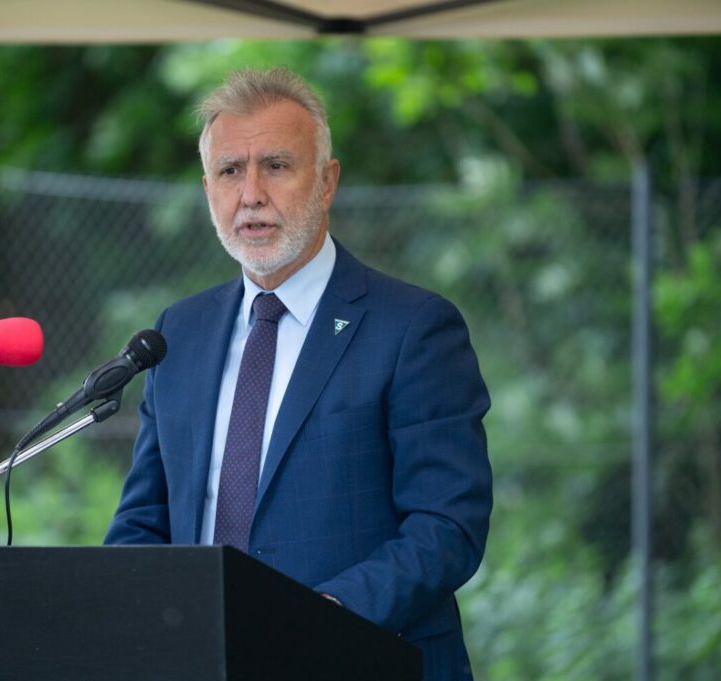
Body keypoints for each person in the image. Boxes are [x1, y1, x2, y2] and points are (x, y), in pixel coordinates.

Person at [104, 67, 492, 681]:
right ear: (207, 188)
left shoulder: (414, 328)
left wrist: (321, 620)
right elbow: (143, 522)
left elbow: (447, 526)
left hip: (358, 660)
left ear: (327, 181)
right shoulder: (179, 332)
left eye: (277, 166)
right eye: (230, 171)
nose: (251, 193)